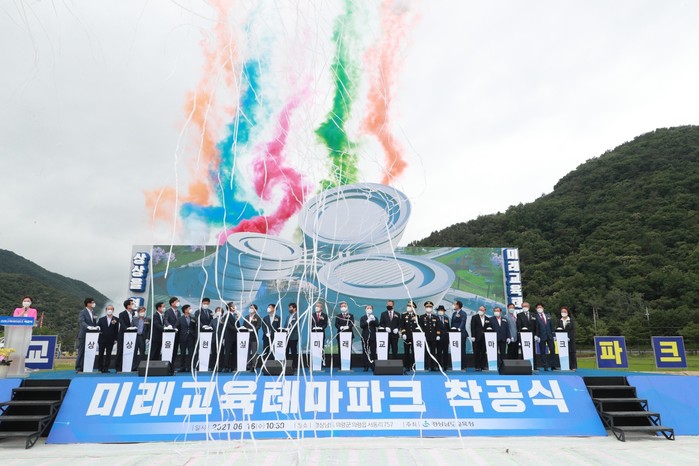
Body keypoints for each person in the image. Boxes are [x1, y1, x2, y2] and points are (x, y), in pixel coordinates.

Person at [75, 298, 97, 372]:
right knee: (81, 351)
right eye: (92, 302)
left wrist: (96, 326)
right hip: (84, 334)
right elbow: (81, 321)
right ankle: (78, 367)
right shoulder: (83, 312)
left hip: (91, 335)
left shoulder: (93, 312)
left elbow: (94, 322)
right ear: (88, 304)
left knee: (89, 351)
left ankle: (86, 366)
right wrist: (88, 327)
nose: (94, 304)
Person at [533, 303, 556, 371]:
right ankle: (545, 366)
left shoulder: (548, 315)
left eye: (540, 307)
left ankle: (553, 365)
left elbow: (551, 325)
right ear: (536, 309)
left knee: (552, 350)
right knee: (542, 351)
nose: (539, 308)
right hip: (541, 336)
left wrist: (553, 335)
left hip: (549, 336)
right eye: (538, 307)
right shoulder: (535, 316)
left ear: (543, 308)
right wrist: (537, 335)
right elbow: (535, 327)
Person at [97, 304, 119, 373]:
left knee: (108, 354)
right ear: (106, 310)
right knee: (100, 353)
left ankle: (106, 368)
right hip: (102, 339)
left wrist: (116, 339)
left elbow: (116, 330)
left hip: (111, 339)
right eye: (108, 309)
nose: (109, 310)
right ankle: (100, 367)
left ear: (113, 310)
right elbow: (98, 328)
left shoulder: (116, 319)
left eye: (111, 309)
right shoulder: (101, 319)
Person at [116, 299, 135, 372]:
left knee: (130, 350)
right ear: (128, 306)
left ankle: (129, 366)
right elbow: (122, 323)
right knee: (120, 350)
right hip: (123, 334)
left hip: (131, 335)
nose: (133, 305)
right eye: (132, 304)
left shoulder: (133, 313)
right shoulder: (122, 314)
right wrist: (127, 328)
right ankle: (118, 367)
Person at [241, 304, 262, 370]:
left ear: (255, 310)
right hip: (246, 337)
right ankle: (247, 364)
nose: (250, 309)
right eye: (250, 308)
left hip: (254, 336)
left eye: (252, 308)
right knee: (247, 351)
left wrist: (253, 329)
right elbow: (244, 325)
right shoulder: (246, 317)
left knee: (254, 352)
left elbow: (258, 326)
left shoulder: (257, 317)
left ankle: (254, 365)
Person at [400, 301, 419, 372]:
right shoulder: (404, 315)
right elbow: (402, 325)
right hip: (407, 336)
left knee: (414, 352)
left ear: (413, 307)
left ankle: (414, 366)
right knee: (406, 352)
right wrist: (403, 333)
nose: (408, 307)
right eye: (408, 306)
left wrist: (417, 321)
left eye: (410, 306)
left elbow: (419, 326)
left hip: (415, 337)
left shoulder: (417, 316)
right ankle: (407, 366)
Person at [419, 301, 439, 371]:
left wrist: (438, 334)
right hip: (425, 338)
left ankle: (433, 366)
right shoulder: (422, 317)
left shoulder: (435, 317)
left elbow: (438, 327)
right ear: (425, 308)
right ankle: (426, 366)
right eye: (427, 307)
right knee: (426, 352)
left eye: (430, 307)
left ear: (432, 308)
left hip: (433, 337)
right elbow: (420, 327)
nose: (429, 308)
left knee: (433, 352)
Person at [470, 305, 491, 371]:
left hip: (484, 337)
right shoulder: (474, 317)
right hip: (476, 337)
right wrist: (473, 336)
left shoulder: (487, 319)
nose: (480, 311)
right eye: (480, 309)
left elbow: (489, 327)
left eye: (482, 310)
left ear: (485, 311)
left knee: (483, 352)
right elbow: (472, 327)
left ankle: (483, 366)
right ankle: (477, 366)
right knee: (476, 352)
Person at [176, 304, 196, 372]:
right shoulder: (180, 319)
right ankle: (182, 367)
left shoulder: (193, 318)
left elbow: (195, 327)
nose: (190, 309)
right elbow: (177, 327)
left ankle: (190, 367)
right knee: (183, 353)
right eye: (189, 308)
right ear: (185, 310)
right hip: (183, 337)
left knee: (191, 353)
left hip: (191, 337)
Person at [450, 300, 468, 369]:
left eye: (454, 304)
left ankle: (463, 366)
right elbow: (452, 323)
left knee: (462, 350)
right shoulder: (454, 313)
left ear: (458, 305)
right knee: (455, 350)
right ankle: (455, 365)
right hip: (454, 334)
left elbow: (463, 322)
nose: (453, 305)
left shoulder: (463, 313)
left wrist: (459, 329)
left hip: (461, 334)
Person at [221, 303, 239, 372]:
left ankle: (233, 367)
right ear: (230, 307)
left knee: (234, 352)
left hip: (235, 336)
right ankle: (226, 367)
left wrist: (240, 329)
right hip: (229, 336)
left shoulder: (235, 315)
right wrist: (237, 329)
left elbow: (238, 324)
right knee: (227, 352)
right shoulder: (227, 315)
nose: (235, 307)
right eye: (233, 306)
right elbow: (228, 325)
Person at [131, 306, 150, 371]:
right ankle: (134, 367)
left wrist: (147, 338)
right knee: (134, 352)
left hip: (143, 337)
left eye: (143, 311)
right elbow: (131, 326)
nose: (142, 312)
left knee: (142, 352)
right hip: (135, 337)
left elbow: (149, 330)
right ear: (138, 312)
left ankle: (142, 367)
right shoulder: (134, 319)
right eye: (141, 311)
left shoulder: (147, 319)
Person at [359, 305, 378, 371]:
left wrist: (374, 319)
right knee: (365, 352)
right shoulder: (363, 318)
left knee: (373, 352)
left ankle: (373, 366)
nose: (369, 309)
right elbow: (361, 326)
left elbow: (377, 325)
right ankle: (365, 366)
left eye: (370, 308)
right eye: (368, 308)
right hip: (365, 337)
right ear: (365, 309)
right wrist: (367, 321)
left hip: (373, 337)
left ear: (372, 309)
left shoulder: (374, 317)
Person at [559, 306, 577, 370]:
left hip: (570, 339)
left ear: (567, 312)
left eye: (564, 311)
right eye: (562, 311)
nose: (563, 313)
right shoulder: (560, 321)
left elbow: (573, 330)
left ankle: (573, 366)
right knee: (564, 353)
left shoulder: (571, 320)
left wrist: (569, 337)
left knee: (571, 352)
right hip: (562, 340)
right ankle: (565, 366)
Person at [435, 305, 450, 370]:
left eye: (442, 310)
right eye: (439, 310)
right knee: (439, 352)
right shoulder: (435, 318)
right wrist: (437, 335)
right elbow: (434, 328)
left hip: (446, 337)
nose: (440, 311)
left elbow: (448, 328)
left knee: (445, 352)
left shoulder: (446, 318)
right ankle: (439, 365)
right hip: (439, 337)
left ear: (444, 311)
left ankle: (445, 365)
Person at [285, 303, 299, 368]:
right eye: (289, 307)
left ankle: (294, 365)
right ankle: (286, 364)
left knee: (293, 351)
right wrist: (284, 330)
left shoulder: (297, 316)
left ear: (294, 308)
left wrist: (289, 329)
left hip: (293, 336)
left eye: (290, 307)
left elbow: (295, 325)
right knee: (286, 350)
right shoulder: (288, 316)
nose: (289, 309)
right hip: (287, 336)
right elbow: (285, 325)